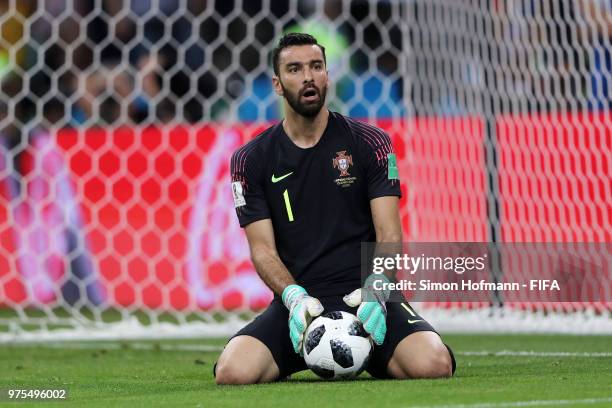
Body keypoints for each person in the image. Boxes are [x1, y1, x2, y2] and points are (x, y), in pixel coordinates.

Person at [215, 33, 455, 384]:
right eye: (295, 69)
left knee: (434, 364)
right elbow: (262, 249)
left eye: (316, 67)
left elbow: (389, 233)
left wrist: (377, 290)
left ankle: (372, 350)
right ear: (278, 85)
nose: (308, 77)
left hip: (366, 295)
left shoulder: (369, 143)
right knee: (232, 373)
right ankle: (312, 348)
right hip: (302, 305)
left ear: (327, 75)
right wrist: (293, 298)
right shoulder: (251, 160)